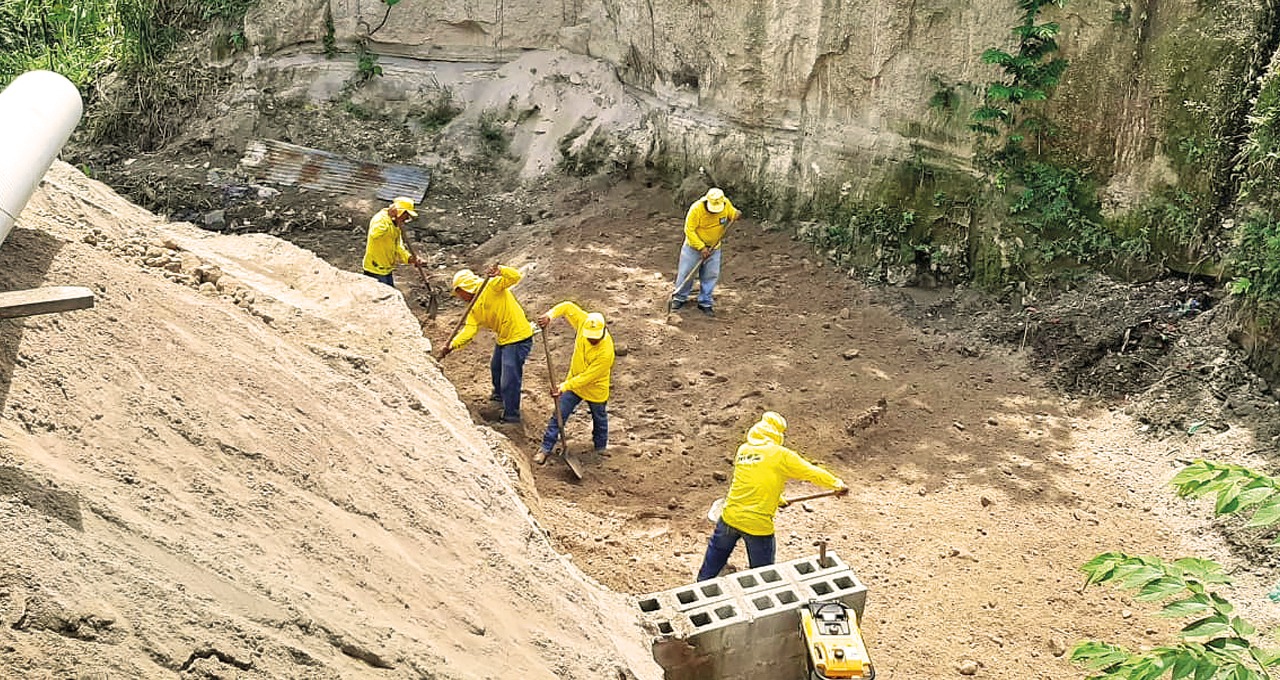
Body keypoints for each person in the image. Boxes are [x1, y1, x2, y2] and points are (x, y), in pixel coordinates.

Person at [695, 412, 848, 582]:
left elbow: (755, 482)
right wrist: (837, 484)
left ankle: (698, 590)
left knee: (712, 565)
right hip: (757, 525)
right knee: (763, 578)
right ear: (777, 434)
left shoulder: (743, 450)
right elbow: (810, 471)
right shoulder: (780, 455)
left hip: (729, 517)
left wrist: (778, 500)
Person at [440, 265, 534, 424]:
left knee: (510, 377)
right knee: (496, 368)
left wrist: (501, 270)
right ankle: (498, 399)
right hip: (504, 338)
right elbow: (469, 330)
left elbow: (515, 277)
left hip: (518, 337)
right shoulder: (473, 308)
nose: (459, 297)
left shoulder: (491, 286)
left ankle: (512, 417)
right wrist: (452, 345)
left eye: (459, 292)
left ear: (465, 287)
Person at [534, 302, 615, 465]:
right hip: (574, 384)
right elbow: (567, 307)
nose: (592, 340)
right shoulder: (583, 320)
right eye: (589, 337)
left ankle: (600, 448)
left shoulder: (607, 352)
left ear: (604, 331)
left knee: (599, 418)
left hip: (595, 389)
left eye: (595, 338)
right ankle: (545, 448)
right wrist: (550, 315)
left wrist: (563, 386)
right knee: (559, 414)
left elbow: (588, 377)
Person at [670, 187, 740, 317]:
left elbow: (732, 213)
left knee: (711, 274)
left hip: (714, 247)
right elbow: (689, 230)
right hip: (693, 248)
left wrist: (735, 214)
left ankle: (705, 301)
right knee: (687, 273)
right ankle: (679, 297)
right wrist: (701, 247)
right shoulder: (696, 209)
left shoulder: (725, 203)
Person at [362, 197, 419, 286]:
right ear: (399, 212)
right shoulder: (380, 219)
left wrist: (409, 258)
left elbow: (398, 246)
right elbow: (374, 234)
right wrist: (390, 219)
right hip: (375, 269)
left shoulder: (396, 225)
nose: (407, 218)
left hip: (387, 269)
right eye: (406, 214)